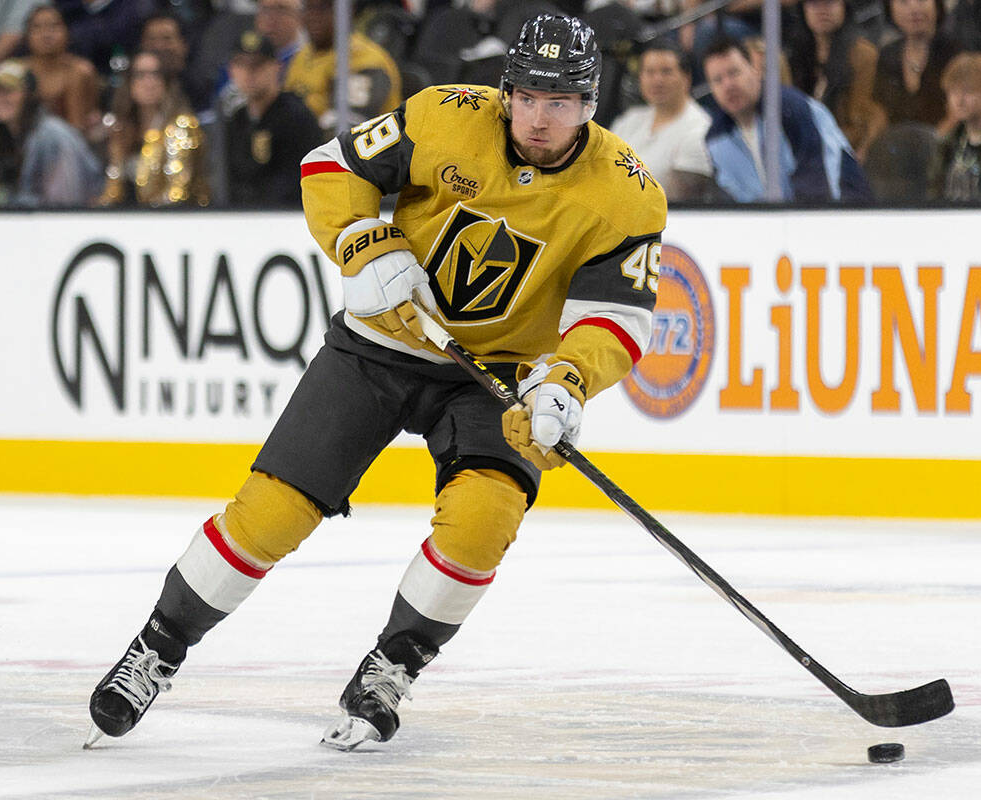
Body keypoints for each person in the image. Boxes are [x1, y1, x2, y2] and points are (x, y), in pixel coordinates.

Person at [85, 13, 666, 752]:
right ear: (505, 89)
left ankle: (394, 664)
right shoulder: (446, 115)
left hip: (495, 380)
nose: (538, 117)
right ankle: (159, 645)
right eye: (526, 95)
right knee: (270, 514)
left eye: (559, 101)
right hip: (380, 345)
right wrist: (365, 245)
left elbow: (615, 316)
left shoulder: (628, 195)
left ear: (591, 104)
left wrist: (566, 383)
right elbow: (332, 166)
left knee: (484, 522)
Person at [702, 36, 871, 201]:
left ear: (755, 71)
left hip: (844, 216)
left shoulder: (792, 109)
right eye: (717, 80)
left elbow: (820, 188)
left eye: (734, 73)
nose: (728, 85)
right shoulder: (716, 139)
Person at [221, 31, 321, 207]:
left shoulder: (296, 117)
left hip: (287, 216)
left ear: (276, 67)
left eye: (257, 65)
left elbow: (296, 182)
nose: (249, 73)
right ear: (231, 70)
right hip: (241, 217)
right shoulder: (237, 119)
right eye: (241, 64)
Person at [97, 49, 209, 207]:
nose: (149, 82)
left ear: (167, 82)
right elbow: (114, 190)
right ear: (129, 83)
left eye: (156, 74)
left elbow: (177, 192)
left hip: (173, 218)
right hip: (132, 215)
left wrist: (147, 217)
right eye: (140, 75)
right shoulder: (123, 129)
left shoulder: (181, 126)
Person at [0, 59, 102, 206]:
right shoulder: (5, 136)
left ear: (30, 97)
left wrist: (5, 201)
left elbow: (64, 203)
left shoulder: (52, 136)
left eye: (9, 91)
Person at [610, 40, 715, 200]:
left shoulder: (700, 129)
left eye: (666, 72)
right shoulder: (629, 120)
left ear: (686, 77)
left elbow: (681, 201)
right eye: (650, 72)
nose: (657, 80)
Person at [284, 0, 401, 137]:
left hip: (357, 152)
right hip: (301, 144)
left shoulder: (363, 58)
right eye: (308, 8)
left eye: (323, 7)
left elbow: (351, 126)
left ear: (347, 11)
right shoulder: (302, 55)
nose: (313, 16)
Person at [785, 0, 885, 160]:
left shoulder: (862, 55)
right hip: (801, 153)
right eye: (813, 4)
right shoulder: (794, 55)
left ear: (845, 6)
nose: (822, 10)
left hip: (844, 149)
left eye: (830, 2)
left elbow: (859, 120)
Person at [872, 0, 959, 131]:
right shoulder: (887, 55)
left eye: (921, 0)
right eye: (903, 2)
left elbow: (958, 114)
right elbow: (879, 111)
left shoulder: (956, 54)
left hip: (944, 144)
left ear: (936, 5)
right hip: (896, 144)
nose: (914, 9)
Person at [927, 52, 981, 199]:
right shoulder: (946, 144)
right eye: (953, 91)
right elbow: (934, 195)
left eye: (968, 91)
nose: (959, 100)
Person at [22, 4, 99, 136]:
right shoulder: (18, 71)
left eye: (54, 26)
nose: (46, 34)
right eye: (37, 27)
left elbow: (79, 127)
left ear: (67, 32)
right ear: (27, 35)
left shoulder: (81, 71)